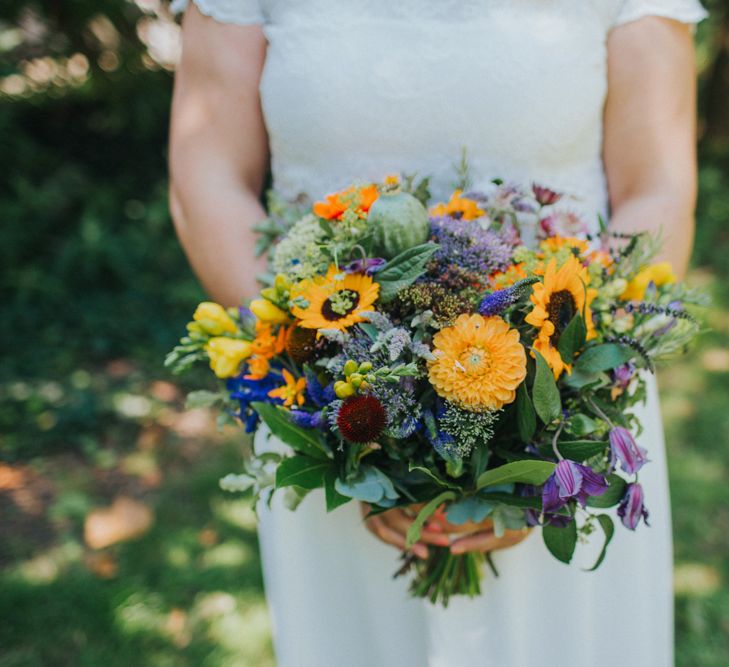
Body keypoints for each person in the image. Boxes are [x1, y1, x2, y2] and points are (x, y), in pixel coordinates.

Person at [168, 2, 707, 665]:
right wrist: (346, 406)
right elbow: (207, 180)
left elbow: (655, 188)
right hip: (333, 413)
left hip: (565, 419)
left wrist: (533, 439)